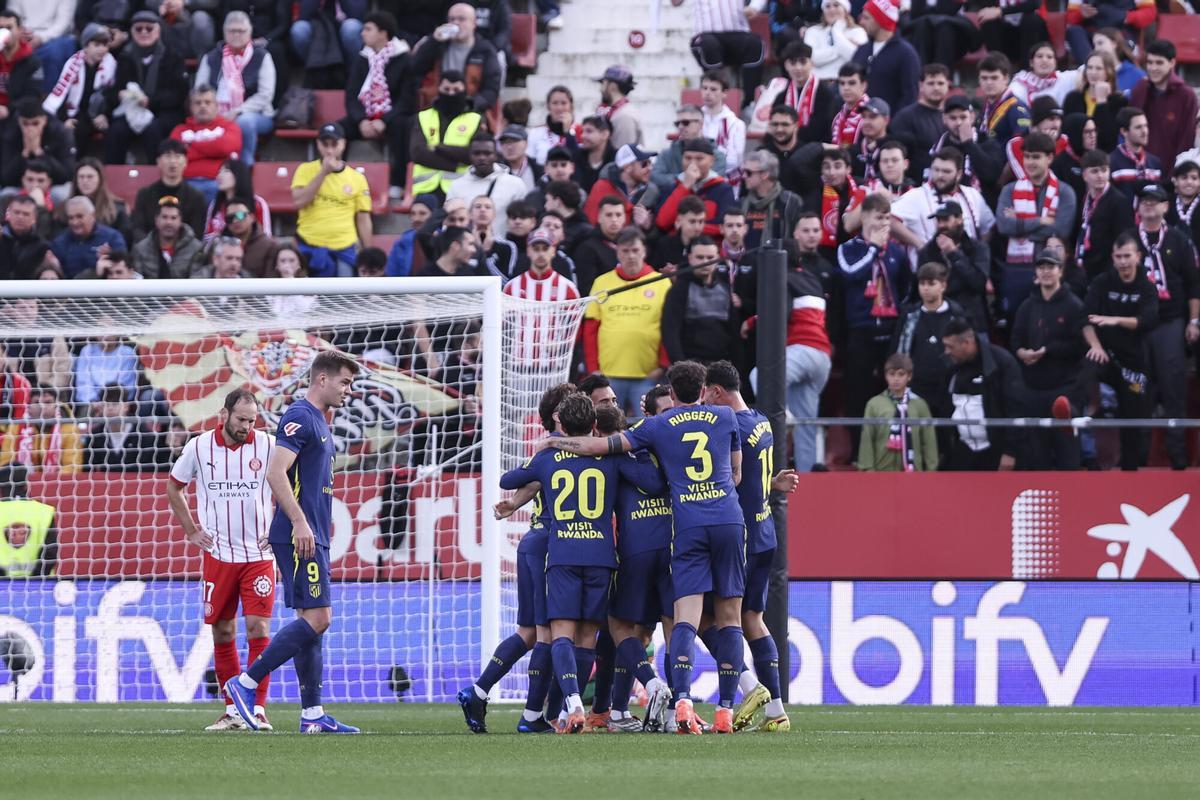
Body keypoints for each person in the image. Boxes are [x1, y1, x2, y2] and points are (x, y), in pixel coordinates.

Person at [541, 361, 749, 735]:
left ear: (672, 390)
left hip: (674, 534)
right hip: (724, 521)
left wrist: (556, 442)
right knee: (725, 619)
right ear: (703, 389)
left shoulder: (654, 429)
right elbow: (736, 474)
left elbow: (599, 446)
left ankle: (670, 700)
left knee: (662, 623)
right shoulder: (724, 416)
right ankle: (725, 709)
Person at [504, 392, 664, 734]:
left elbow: (508, 481)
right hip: (600, 557)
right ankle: (578, 709)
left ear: (561, 426)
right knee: (588, 636)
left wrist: (542, 456)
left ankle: (573, 704)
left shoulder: (548, 458)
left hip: (562, 554)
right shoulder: (611, 459)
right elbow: (652, 482)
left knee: (561, 633)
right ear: (593, 424)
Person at [224, 351, 361, 734]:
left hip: (311, 532)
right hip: (301, 534)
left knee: (310, 621)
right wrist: (299, 523)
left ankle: (312, 715)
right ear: (322, 379)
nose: (348, 390)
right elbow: (275, 472)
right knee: (319, 619)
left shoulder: (319, 420)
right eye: (344, 382)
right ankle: (245, 683)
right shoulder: (300, 416)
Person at [461, 382, 578, 735]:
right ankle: (531, 716)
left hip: (533, 542)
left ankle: (478, 691)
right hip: (550, 545)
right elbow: (530, 479)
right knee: (546, 633)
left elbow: (534, 482)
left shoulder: (549, 451)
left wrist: (513, 502)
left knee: (527, 632)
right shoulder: (560, 451)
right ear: (560, 415)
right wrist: (513, 501)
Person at [167, 389, 276, 731]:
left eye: (252, 421)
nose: (247, 426)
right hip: (218, 555)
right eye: (241, 419)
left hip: (259, 555)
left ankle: (257, 708)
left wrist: (280, 529)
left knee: (258, 628)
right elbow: (174, 487)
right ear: (224, 414)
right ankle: (232, 711)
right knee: (223, 631)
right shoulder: (199, 447)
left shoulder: (269, 446)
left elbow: (295, 486)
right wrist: (191, 530)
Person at [701, 360, 797, 731]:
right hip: (765, 532)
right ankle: (776, 712)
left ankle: (748, 686)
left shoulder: (731, 426)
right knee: (753, 619)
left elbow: (726, 476)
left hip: (739, 536)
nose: (704, 403)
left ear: (717, 391)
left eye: (707, 395)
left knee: (708, 619)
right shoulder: (760, 421)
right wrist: (772, 484)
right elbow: (752, 474)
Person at [743, 214, 833, 471]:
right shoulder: (813, 279)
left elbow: (779, 314)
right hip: (822, 357)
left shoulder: (781, 276)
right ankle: (807, 477)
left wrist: (750, 322)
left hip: (801, 349)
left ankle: (784, 417)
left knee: (759, 377)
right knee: (807, 423)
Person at [1133, 184, 1200, 470]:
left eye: (1155, 201)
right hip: (1137, 325)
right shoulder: (1128, 240)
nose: (1149, 205)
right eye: (1145, 201)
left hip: (1170, 322)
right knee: (1139, 393)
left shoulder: (1178, 239)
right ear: (1138, 207)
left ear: (1166, 207)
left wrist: (1194, 320)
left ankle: (1178, 461)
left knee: (1174, 391)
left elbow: (1193, 284)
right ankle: (1136, 460)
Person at [1082, 233, 1159, 470]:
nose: (1123, 261)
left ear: (1138, 256)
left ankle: (1130, 471)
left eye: (1127, 256)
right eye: (1118, 257)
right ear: (1113, 258)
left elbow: (1148, 320)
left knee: (1133, 419)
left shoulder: (1146, 286)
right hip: (1105, 355)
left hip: (1134, 363)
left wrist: (1115, 320)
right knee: (1085, 367)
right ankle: (1079, 412)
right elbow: (1085, 320)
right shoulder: (1102, 282)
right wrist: (1095, 346)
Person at [1009, 248, 1086, 470]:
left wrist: (1048, 350)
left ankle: (1071, 492)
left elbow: (1080, 346)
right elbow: (1015, 339)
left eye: (1051, 267)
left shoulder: (1074, 305)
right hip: (1033, 388)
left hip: (1064, 388)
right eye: (1041, 267)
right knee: (1036, 456)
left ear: (1060, 271)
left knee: (1068, 454)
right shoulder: (1027, 306)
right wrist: (1021, 352)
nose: (1046, 272)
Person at [583, 227, 671, 415]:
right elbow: (591, 328)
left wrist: (662, 365)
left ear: (644, 251)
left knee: (650, 425)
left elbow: (668, 328)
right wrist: (593, 368)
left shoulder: (662, 283)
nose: (631, 256)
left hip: (648, 375)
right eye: (625, 251)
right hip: (608, 376)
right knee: (607, 426)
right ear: (617, 252)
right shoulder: (602, 283)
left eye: (635, 250)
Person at [994, 131, 1077, 327]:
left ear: (1050, 158)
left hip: (1051, 270)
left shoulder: (1065, 192)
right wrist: (1041, 221)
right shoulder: (1009, 190)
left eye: (1036, 157)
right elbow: (1004, 226)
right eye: (1027, 157)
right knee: (1016, 326)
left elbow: (1061, 230)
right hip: (1017, 271)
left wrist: (1020, 223)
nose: (1030, 162)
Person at [941, 317, 1026, 470]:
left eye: (950, 346)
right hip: (962, 451)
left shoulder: (1002, 363)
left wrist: (1010, 452)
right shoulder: (951, 365)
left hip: (995, 452)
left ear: (966, 343)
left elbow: (1016, 409)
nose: (946, 351)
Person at [105, 10, 189, 164]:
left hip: (163, 111)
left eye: (149, 28)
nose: (144, 32)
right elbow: (114, 89)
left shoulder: (172, 56)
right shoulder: (124, 56)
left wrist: (150, 101)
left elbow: (178, 94)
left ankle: (157, 172)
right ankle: (111, 173)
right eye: (139, 29)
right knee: (117, 129)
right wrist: (120, 95)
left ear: (158, 31)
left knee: (153, 128)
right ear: (132, 32)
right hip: (131, 111)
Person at [193, 11, 276, 166]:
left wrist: (238, 111)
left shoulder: (262, 56)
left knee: (244, 121)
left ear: (249, 33)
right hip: (215, 113)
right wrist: (214, 112)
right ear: (225, 33)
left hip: (257, 114)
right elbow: (199, 90)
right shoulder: (211, 57)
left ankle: (245, 164)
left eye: (241, 31)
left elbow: (265, 95)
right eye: (232, 31)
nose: (236, 35)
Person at [291, 122, 373, 277]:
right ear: (318, 144)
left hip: (344, 247)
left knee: (345, 290)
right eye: (325, 144)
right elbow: (299, 202)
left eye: (334, 144)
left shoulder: (357, 178)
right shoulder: (304, 170)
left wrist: (368, 253)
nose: (329, 150)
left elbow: (363, 218)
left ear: (343, 144)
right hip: (309, 244)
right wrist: (323, 173)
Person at [343, 10, 411, 196]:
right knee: (336, 130)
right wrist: (361, 120)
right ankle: (335, 176)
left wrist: (385, 120)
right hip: (365, 116)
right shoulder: (362, 59)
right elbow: (351, 95)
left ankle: (398, 182)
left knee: (403, 126)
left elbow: (407, 100)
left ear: (383, 33)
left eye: (368, 29)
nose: (362, 33)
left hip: (393, 116)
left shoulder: (403, 58)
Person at [891, 146, 995, 252]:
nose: (940, 175)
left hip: (966, 260)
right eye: (936, 170)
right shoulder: (916, 195)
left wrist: (979, 254)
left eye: (946, 171)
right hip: (931, 261)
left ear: (959, 174)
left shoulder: (972, 194)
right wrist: (919, 244)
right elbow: (889, 219)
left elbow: (988, 227)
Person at [661, 236, 740, 365]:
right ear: (690, 258)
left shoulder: (725, 289)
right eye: (700, 257)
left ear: (717, 258)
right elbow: (670, 334)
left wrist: (737, 368)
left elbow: (735, 334)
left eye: (710, 258)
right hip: (690, 364)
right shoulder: (679, 290)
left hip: (722, 364)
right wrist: (682, 367)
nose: (705, 262)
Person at [410, 3, 502, 113]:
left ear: (474, 23)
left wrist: (470, 105)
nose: (456, 23)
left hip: (470, 109)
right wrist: (433, 41)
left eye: (461, 19)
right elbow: (415, 69)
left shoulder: (485, 51)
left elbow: (491, 90)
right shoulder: (437, 45)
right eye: (452, 19)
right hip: (436, 107)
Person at [41, 23, 117, 156]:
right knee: (77, 130)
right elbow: (61, 94)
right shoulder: (73, 65)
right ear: (86, 46)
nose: (102, 49)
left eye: (105, 45)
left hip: (99, 114)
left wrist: (105, 114)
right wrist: (64, 119)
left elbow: (112, 94)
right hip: (76, 113)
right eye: (97, 45)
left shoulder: (111, 64)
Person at [915, 201, 990, 330]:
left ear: (959, 219)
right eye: (938, 220)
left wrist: (953, 254)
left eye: (945, 220)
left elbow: (978, 283)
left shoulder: (977, 248)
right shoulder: (928, 252)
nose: (941, 225)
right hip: (937, 320)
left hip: (971, 320)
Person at [857, 352, 938, 471]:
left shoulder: (920, 405)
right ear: (886, 376)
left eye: (901, 374)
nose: (896, 379)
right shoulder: (874, 404)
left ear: (909, 376)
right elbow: (867, 438)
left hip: (913, 472)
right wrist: (868, 470)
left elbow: (928, 441)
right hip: (882, 471)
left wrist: (931, 471)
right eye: (892, 374)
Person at [410, 71, 484, 198]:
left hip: (460, 190)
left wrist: (437, 147)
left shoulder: (475, 119)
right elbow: (417, 153)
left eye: (456, 90)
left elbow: (472, 154)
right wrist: (454, 165)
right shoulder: (423, 116)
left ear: (464, 90)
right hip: (425, 189)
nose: (451, 94)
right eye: (446, 89)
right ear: (438, 89)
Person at [1129, 40, 1198, 173]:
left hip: (1172, 173)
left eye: (1159, 63)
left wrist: (1176, 174)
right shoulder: (1140, 89)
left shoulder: (1186, 96)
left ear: (1172, 63)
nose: (1153, 68)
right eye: (1150, 62)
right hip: (1139, 172)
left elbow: (1186, 140)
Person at [750, 43, 837, 144]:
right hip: (785, 145)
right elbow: (773, 127)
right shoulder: (781, 97)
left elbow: (821, 129)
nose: (798, 68)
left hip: (816, 147)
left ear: (811, 64)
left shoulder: (825, 95)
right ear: (786, 66)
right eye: (793, 63)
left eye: (803, 62)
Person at [171, 86, 243, 204]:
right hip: (185, 183)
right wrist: (213, 150)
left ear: (216, 106)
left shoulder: (230, 127)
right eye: (198, 103)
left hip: (218, 184)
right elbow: (174, 156)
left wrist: (191, 145)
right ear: (191, 107)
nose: (203, 106)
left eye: (208, 102)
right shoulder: (179, 130)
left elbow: (224, 148)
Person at [445, 134, 528, 236]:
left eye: (487, 153)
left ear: (496, 155)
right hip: (467, 244)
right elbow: (450, 221)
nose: (482, 157)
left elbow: (522, 221)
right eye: (477, 153)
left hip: (503, 244)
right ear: (469, 155)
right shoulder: (456, 186)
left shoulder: (515, 184)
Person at [655, 138, 735, 238]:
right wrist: (685, 186)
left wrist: (686, 227)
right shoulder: (672, 187)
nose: (692, 164)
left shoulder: (723, 189)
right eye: (688, 158)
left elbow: (725, 227)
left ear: (712, 161)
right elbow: (662, 222)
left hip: (710, 245)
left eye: (699, 159)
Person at [850, 0, 919, 114]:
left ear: (881, 20)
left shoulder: (906, 53)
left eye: (866, 18)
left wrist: (893, 122)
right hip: (859, 121)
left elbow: (910, 96)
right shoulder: (862, 50)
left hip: (889, 122)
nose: (861, 22)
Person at [1077, 148, 1135, 279]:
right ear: (1084, 175)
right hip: (1087, 265)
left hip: (1107, 270)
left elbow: (1123, 239)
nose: (1100, 175)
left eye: (1104, 170)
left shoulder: (1119, 201)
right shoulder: (1085, 199)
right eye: (1094, 171)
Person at [889, 64, 950, 182]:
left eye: (940, 83)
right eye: (931, 83)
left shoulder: (953, 117)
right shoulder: (905, 118)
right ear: (921, 86)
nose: (936, 88)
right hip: (915, 185)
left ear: (948, 85)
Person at [83, 382, 160, 470]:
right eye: (106, 404)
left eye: (115, 404)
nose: (110, 408)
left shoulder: (145, 436)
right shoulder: (94, 437)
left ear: (126, 406)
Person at [651, 106, 728, 193]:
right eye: (677, 124)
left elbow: (713, 181)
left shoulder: (717, 156)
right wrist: (684, 178)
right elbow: (655, 177)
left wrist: (681, 179)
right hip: (672, 197)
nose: (680, 127)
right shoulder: (666, 154)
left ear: (700, 124)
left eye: (685, 123)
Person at [0, 99, 72, 191]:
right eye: (25, 124)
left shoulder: (59, 133)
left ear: (44, 120)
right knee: (6, 193)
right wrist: (24, 155)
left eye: (35, 123)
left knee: (60, 194)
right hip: (19, 185)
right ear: (19, 122)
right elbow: (5, 177)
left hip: (53, 185)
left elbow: (67, 174)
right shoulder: (11, 134)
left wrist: (40, 153)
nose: (30, 129)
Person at [58, 158, 132, 247]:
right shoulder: (64, 208)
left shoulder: (118, 209)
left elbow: (125, 242)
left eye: (90, 177)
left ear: (100, 179)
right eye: (81, 177)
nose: (85, 181)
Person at [50, 196, 127, 278]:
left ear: (92, 215)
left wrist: (112, 256)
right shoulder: (60, 243)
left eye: (79, 216)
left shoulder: (112, 238)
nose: (75, 222)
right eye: (71, 218)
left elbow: (124, 269)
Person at [584, 144, 658, 228]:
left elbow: (657, 232)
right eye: (644, 164)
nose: (650, 168)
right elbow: (591, 225)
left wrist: (647, 226)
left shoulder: (651, 193)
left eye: (650, 163)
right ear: (628, 167)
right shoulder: (602, 187)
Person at [132, 195, 205, 278]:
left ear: (180, 221)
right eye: (164, 217)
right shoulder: (141, 249)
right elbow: (137, 280)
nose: (168, 222)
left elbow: (196, 280)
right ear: (156, 220)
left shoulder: (196, 249)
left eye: (173, 218)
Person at [202, 159, 270, 240]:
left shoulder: (257, 203)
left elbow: (266, 237)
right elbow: (207, 237)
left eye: (226, 171)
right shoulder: (215, 204)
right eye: (219, 172)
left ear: (239, 175)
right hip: (220, 247)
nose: (219, 176)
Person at [700, 70, 746, 185]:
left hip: (725, 181)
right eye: (704, 88)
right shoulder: (693, 119)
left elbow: (735, 161)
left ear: (724, 93)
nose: (707, 93)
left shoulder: (736, 124)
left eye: (713, 89)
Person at [290, 0, 367, 69]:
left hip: (343, 28)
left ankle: (355, 71)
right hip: (318, 30)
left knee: (351, 27)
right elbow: (303, 15)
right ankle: (317, 69)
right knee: (299, 29)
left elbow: (357, 14)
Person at [573, 196, 625, 295]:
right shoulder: (587, 248)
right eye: (609, 215)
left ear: (624, 218)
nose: (614, 219)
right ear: (599, 218)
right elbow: (586, 288)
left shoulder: (630, 244)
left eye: (618, 215)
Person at [977, 52, 1032, 146]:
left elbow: (1022, 145)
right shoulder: (985, 105)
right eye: (984, 78)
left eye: (994, 78)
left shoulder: (1016, 108)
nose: (989, 82)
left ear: (1006, 79)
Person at [1109, 106, 1163, 203]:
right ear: (1124, 131)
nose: (1144, 131)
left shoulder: (1155, 162)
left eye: (1145, 126)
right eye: (1138, 127)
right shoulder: (1111, 162)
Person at [804, 0, 866, 81]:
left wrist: (836, 31)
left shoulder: (858, 31)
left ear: (845, 10)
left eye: (836, 5)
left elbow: (856, 58)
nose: (832, 9)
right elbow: (813, 58)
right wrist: (843, 46)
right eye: (827, 6)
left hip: (846, 83)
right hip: (819, 82)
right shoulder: (812, 31)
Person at [26, 385, 81, 475]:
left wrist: (50, 480)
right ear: (29, 406)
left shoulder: (70, 430)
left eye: (47, 402)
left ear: (56, 406)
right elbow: (6, 462)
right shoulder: (17, 429)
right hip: (23, 482)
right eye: (37, 402)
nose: (42, 407)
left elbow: (72, 467)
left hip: (58, 482)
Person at [213, 197, 274, 277]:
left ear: (252, 217)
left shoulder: (269, 246)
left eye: (240, 215)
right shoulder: (216, 244)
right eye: (230, 218)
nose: (235, 221)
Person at [0, 10, 44, 119]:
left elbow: (32, 97)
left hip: (16, 116)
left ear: (19, 30)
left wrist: (8, 110)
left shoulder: (32, 62)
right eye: (1, 28)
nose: (4, 32)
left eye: (9, 28)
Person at [1010, 41, 1075, 108]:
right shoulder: (1019, 83)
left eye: (1049, 57)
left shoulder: (1064, 78)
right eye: (1039, 56)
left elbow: (1082, 71)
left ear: (1055, 63)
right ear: (1031, 62)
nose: (1044, 60)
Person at [529, 85, 581, 165]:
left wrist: (568, 132)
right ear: (548, 106)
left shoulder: (581, 131)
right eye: (555, 103)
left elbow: (578, 161)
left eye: (563, 103)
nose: (559, 108)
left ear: (571, 106)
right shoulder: (536, 133)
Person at [0, 195, 49, 279]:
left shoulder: (42, 246)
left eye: (26, 214)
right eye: (16, 212)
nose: (20, 217)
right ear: (8, 214)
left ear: (34, 218)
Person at [595, 63, 641, 150]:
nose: (600, 90)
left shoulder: (624, 116)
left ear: (613, 87)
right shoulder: (619, 112)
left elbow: (622, 154)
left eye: (603, 84)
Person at [1092, 27, 1146, 96]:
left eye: (1100, 43)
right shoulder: (1089, 72)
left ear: (1114, 43)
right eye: (1094, 45)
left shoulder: (1136, 74)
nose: (1096, 49)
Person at [574, 115, 617, 194]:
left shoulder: (616, 160)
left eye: (589, 131)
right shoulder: (576, 157)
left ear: (605, 134)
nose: (582, 136)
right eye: (582, 131)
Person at [831, 60, 869, 148]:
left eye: (852, 83)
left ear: (863, 85)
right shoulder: (836, 113)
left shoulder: (872, 115)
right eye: (842, 83)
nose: (846, 88)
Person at [1168, 150, 1200, 245]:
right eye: (1184, 177)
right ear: (1175, 181)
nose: (1189, 182)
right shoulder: (1167, 204)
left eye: (1194, 178)